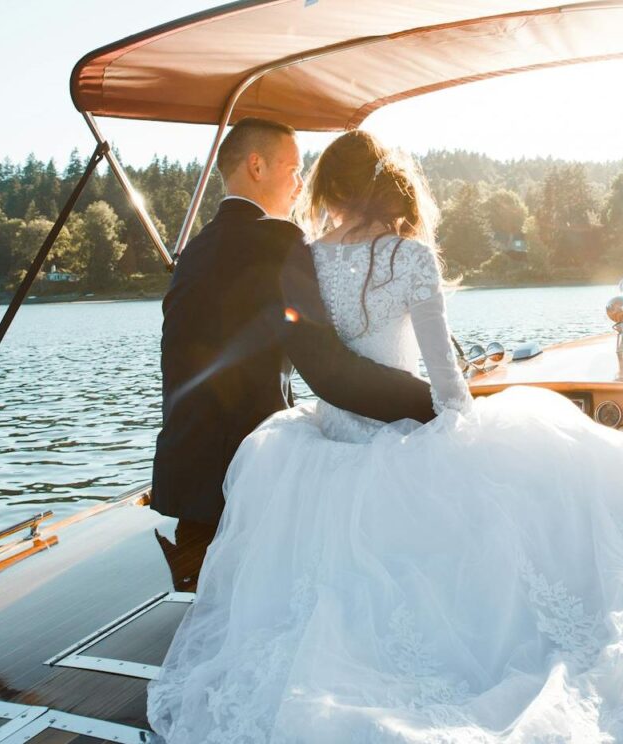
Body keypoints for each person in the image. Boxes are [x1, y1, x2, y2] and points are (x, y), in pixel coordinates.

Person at [147, 130, 623, 743]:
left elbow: (318, 365)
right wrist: (455, 418)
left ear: (329, 191)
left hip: (325, 444)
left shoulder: (304, 257)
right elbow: (446, 378)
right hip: (401, 426)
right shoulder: (410, 255)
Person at [151, 118, 435, 531]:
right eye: (294, 170)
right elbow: (329, 372)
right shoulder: (278, 241)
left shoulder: (195, 250)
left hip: (182, 479)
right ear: (256, 166)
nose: (302, 185)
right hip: (245, 479)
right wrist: (433, 404)